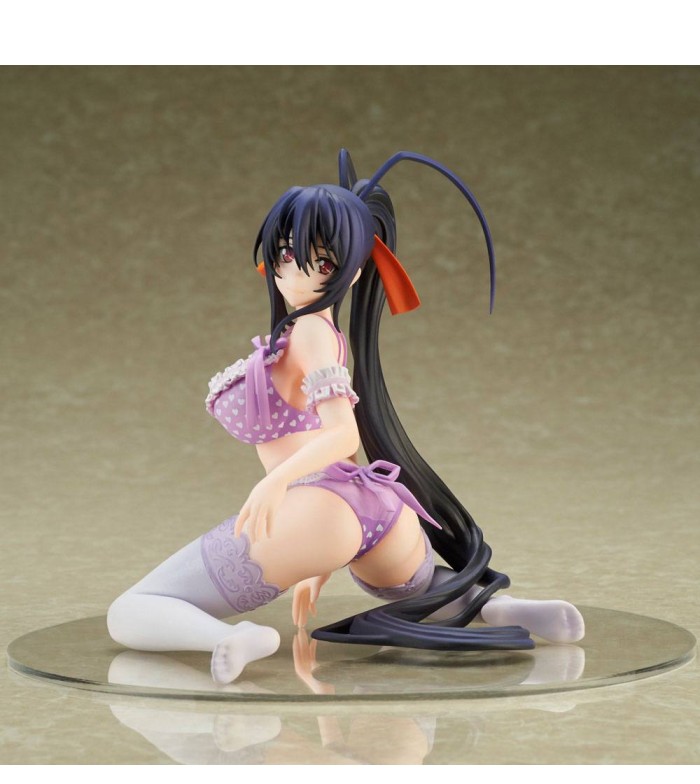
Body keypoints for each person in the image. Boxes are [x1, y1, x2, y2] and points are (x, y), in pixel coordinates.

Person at [107, 150, 584, 684]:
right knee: (418, 588)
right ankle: (503, 609)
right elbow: (336, 445)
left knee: (132, 608)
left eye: (323, 263)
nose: (295, 272)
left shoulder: (310, 333)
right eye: (287, 254)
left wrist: (277, 486)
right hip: (375, 508)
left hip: (318, 505)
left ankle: (231, 638)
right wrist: (319, 558)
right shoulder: (323, 335)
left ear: (353, 272)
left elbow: (341, 432)